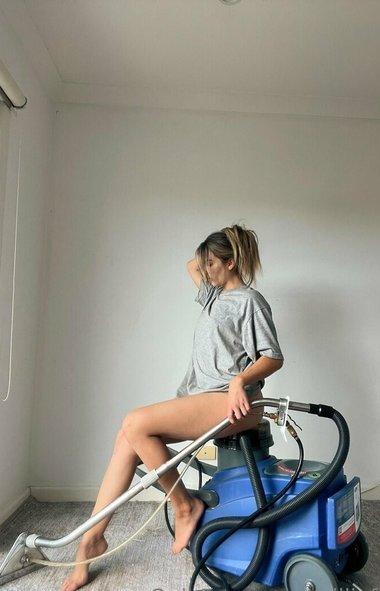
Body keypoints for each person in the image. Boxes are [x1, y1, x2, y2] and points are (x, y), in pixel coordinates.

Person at [61, 224, 284, 591]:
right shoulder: (213, 296)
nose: (205, 270)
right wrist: (220, 243)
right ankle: (92, 540)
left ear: (230, 263)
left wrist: (239, 380)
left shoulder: (250, 301)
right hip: (202, 398)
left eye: (213, 263)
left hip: (233, 402)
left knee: (134, 423)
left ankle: (184, 506)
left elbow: (273, 357)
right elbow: (190, 265)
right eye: (206, 264)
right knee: (127, 439)